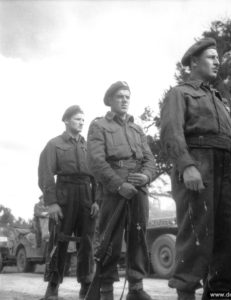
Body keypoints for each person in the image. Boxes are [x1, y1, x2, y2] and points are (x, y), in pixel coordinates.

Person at [160, 38, 231, 300]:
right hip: (198, 169)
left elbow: (227, 144)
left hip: (225, 173)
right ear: (194, 62)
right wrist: (187, 166)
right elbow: (172, 133)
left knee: (228, 238)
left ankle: (221, 293)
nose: (218, 62)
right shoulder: (179, 93)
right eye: (211, 57)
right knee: (195, 234)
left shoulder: (219, 101)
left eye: (218, 58)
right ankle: (186, 294)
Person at [87, 81, 156, 300]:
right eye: (120, 96)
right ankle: (106, 289)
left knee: (138, 237)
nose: (125, 100)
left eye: (127, 96)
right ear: (110, 100)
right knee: (110, 240)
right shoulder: (99, 126)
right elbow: (96, 161)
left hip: (139, 187)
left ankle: (135, 287)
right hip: (114, 188)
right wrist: (118, 185)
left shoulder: (137, 128)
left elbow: (149, 158)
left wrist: (146, 176)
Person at [38, 105, 98, 300]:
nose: (81, 122)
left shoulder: (89, 146)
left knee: (87, 242)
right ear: (66, 121)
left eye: (83, 119)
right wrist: (52, 203)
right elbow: (46, 174)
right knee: (59, 240)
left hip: (87, 196)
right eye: (77, 119)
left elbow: (97, 176)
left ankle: (85, 286)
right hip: (64, 195)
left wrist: (97, 200)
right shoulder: (54, 144)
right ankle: (53, 288)